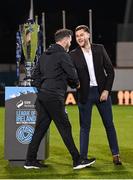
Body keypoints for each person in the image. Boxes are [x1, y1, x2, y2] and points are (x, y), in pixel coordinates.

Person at [24, 28, 96, 170]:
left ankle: (30, 160)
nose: (71, 42)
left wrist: (43, 88)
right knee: (65, 127)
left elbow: (35, 77)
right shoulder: (63, 55)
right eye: (70, 39)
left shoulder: (44, 54)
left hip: (43, 95)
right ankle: (77, 160)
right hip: (54, 96)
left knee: (40, 128)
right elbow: (72, 74)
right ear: (65, 40)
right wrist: (76, 84)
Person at [69, 25, 122, 165]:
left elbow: (110, 71)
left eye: (81, 35)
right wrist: (76, 85)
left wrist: (106, 90)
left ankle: (116, 154)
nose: (79, 38)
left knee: (109, 124)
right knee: (84, 128)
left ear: (88, 35)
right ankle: (83, 158)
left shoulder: (99, 49)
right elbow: (69, 76)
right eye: (77, 36)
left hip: (102, 93)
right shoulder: (73, 54)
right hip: (84, 95)